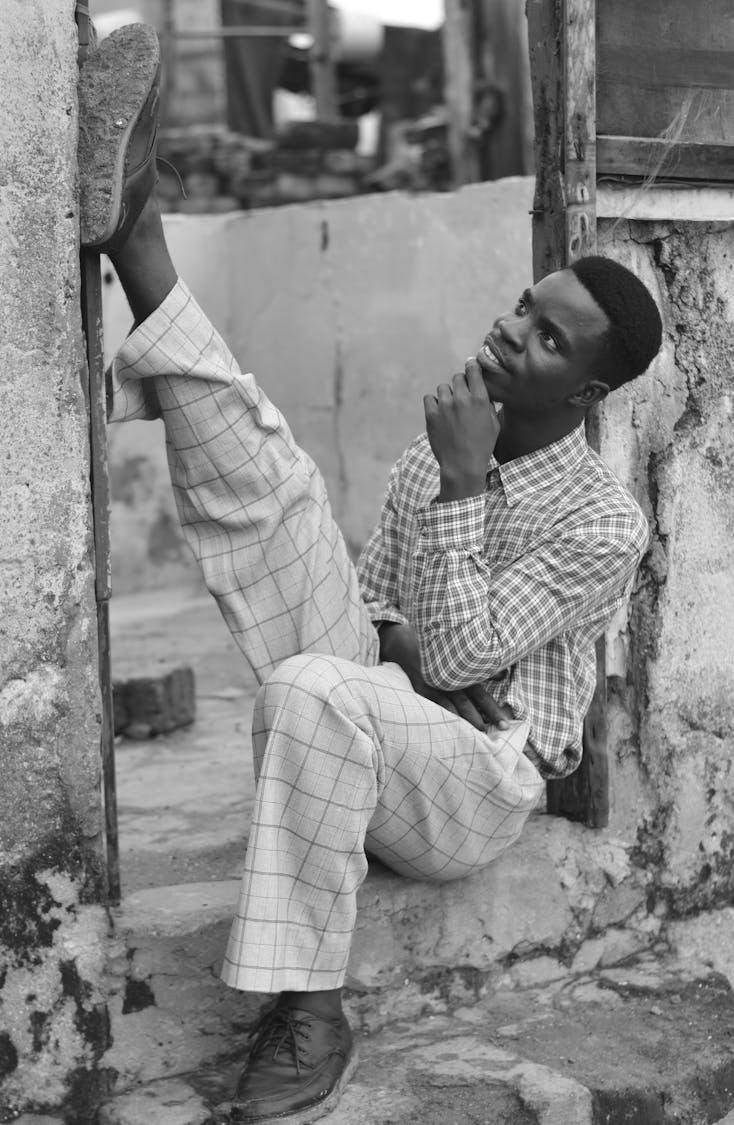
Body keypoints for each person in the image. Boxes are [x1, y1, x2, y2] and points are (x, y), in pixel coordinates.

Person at [80, 26, 662, 1125]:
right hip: (400, 715)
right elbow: (391, 612)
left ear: (585, 392)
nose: (511, 333)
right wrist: (406, 648)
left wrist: (458, 494)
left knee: (310, 687)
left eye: (547, 341)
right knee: (286, 495)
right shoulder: (438, 444)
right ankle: (140, 245)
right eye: (523, 310)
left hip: (480, 791)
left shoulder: (604, 522)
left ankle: (314, 1010)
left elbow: (451, 655)